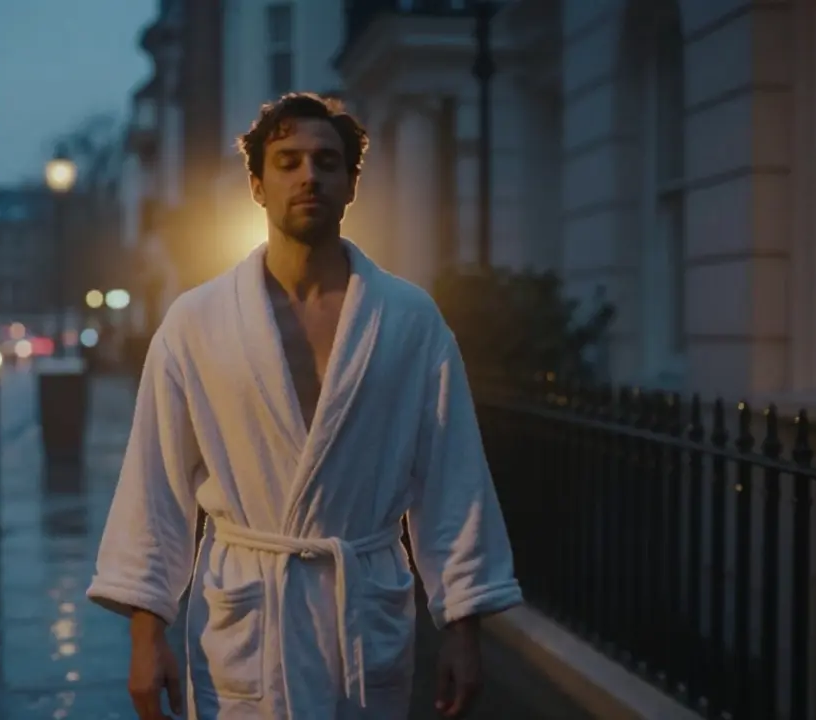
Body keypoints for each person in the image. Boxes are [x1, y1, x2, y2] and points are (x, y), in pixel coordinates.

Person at [87, 92, 522, 719]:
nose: (308, 176)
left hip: (361, 616)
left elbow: (452, 479)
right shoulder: (196, 321)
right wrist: (145, 637)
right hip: (247, 620)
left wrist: (462, 627)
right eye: (287, 161)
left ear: (350, 185)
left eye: (326, 161)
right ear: (258, 185)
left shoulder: (407, 319)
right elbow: (156, 485)